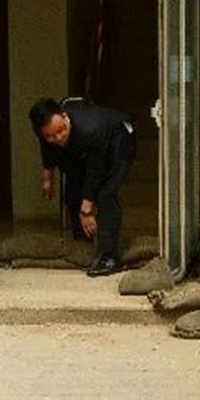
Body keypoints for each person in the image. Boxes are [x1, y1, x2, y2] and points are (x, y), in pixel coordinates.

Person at [29, 98, 135, 277]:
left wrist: (86, 209)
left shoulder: (90, 129)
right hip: (89, 145)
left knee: (105, 192)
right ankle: (84, 245)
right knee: (72, 194)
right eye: (51, 136)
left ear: (65, 116)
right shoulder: (46, 132)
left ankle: (110, 257)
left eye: (61, 130)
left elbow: (96, 169)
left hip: (120, 133)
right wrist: (47, 177)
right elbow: (47, 148)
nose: (58, 138)